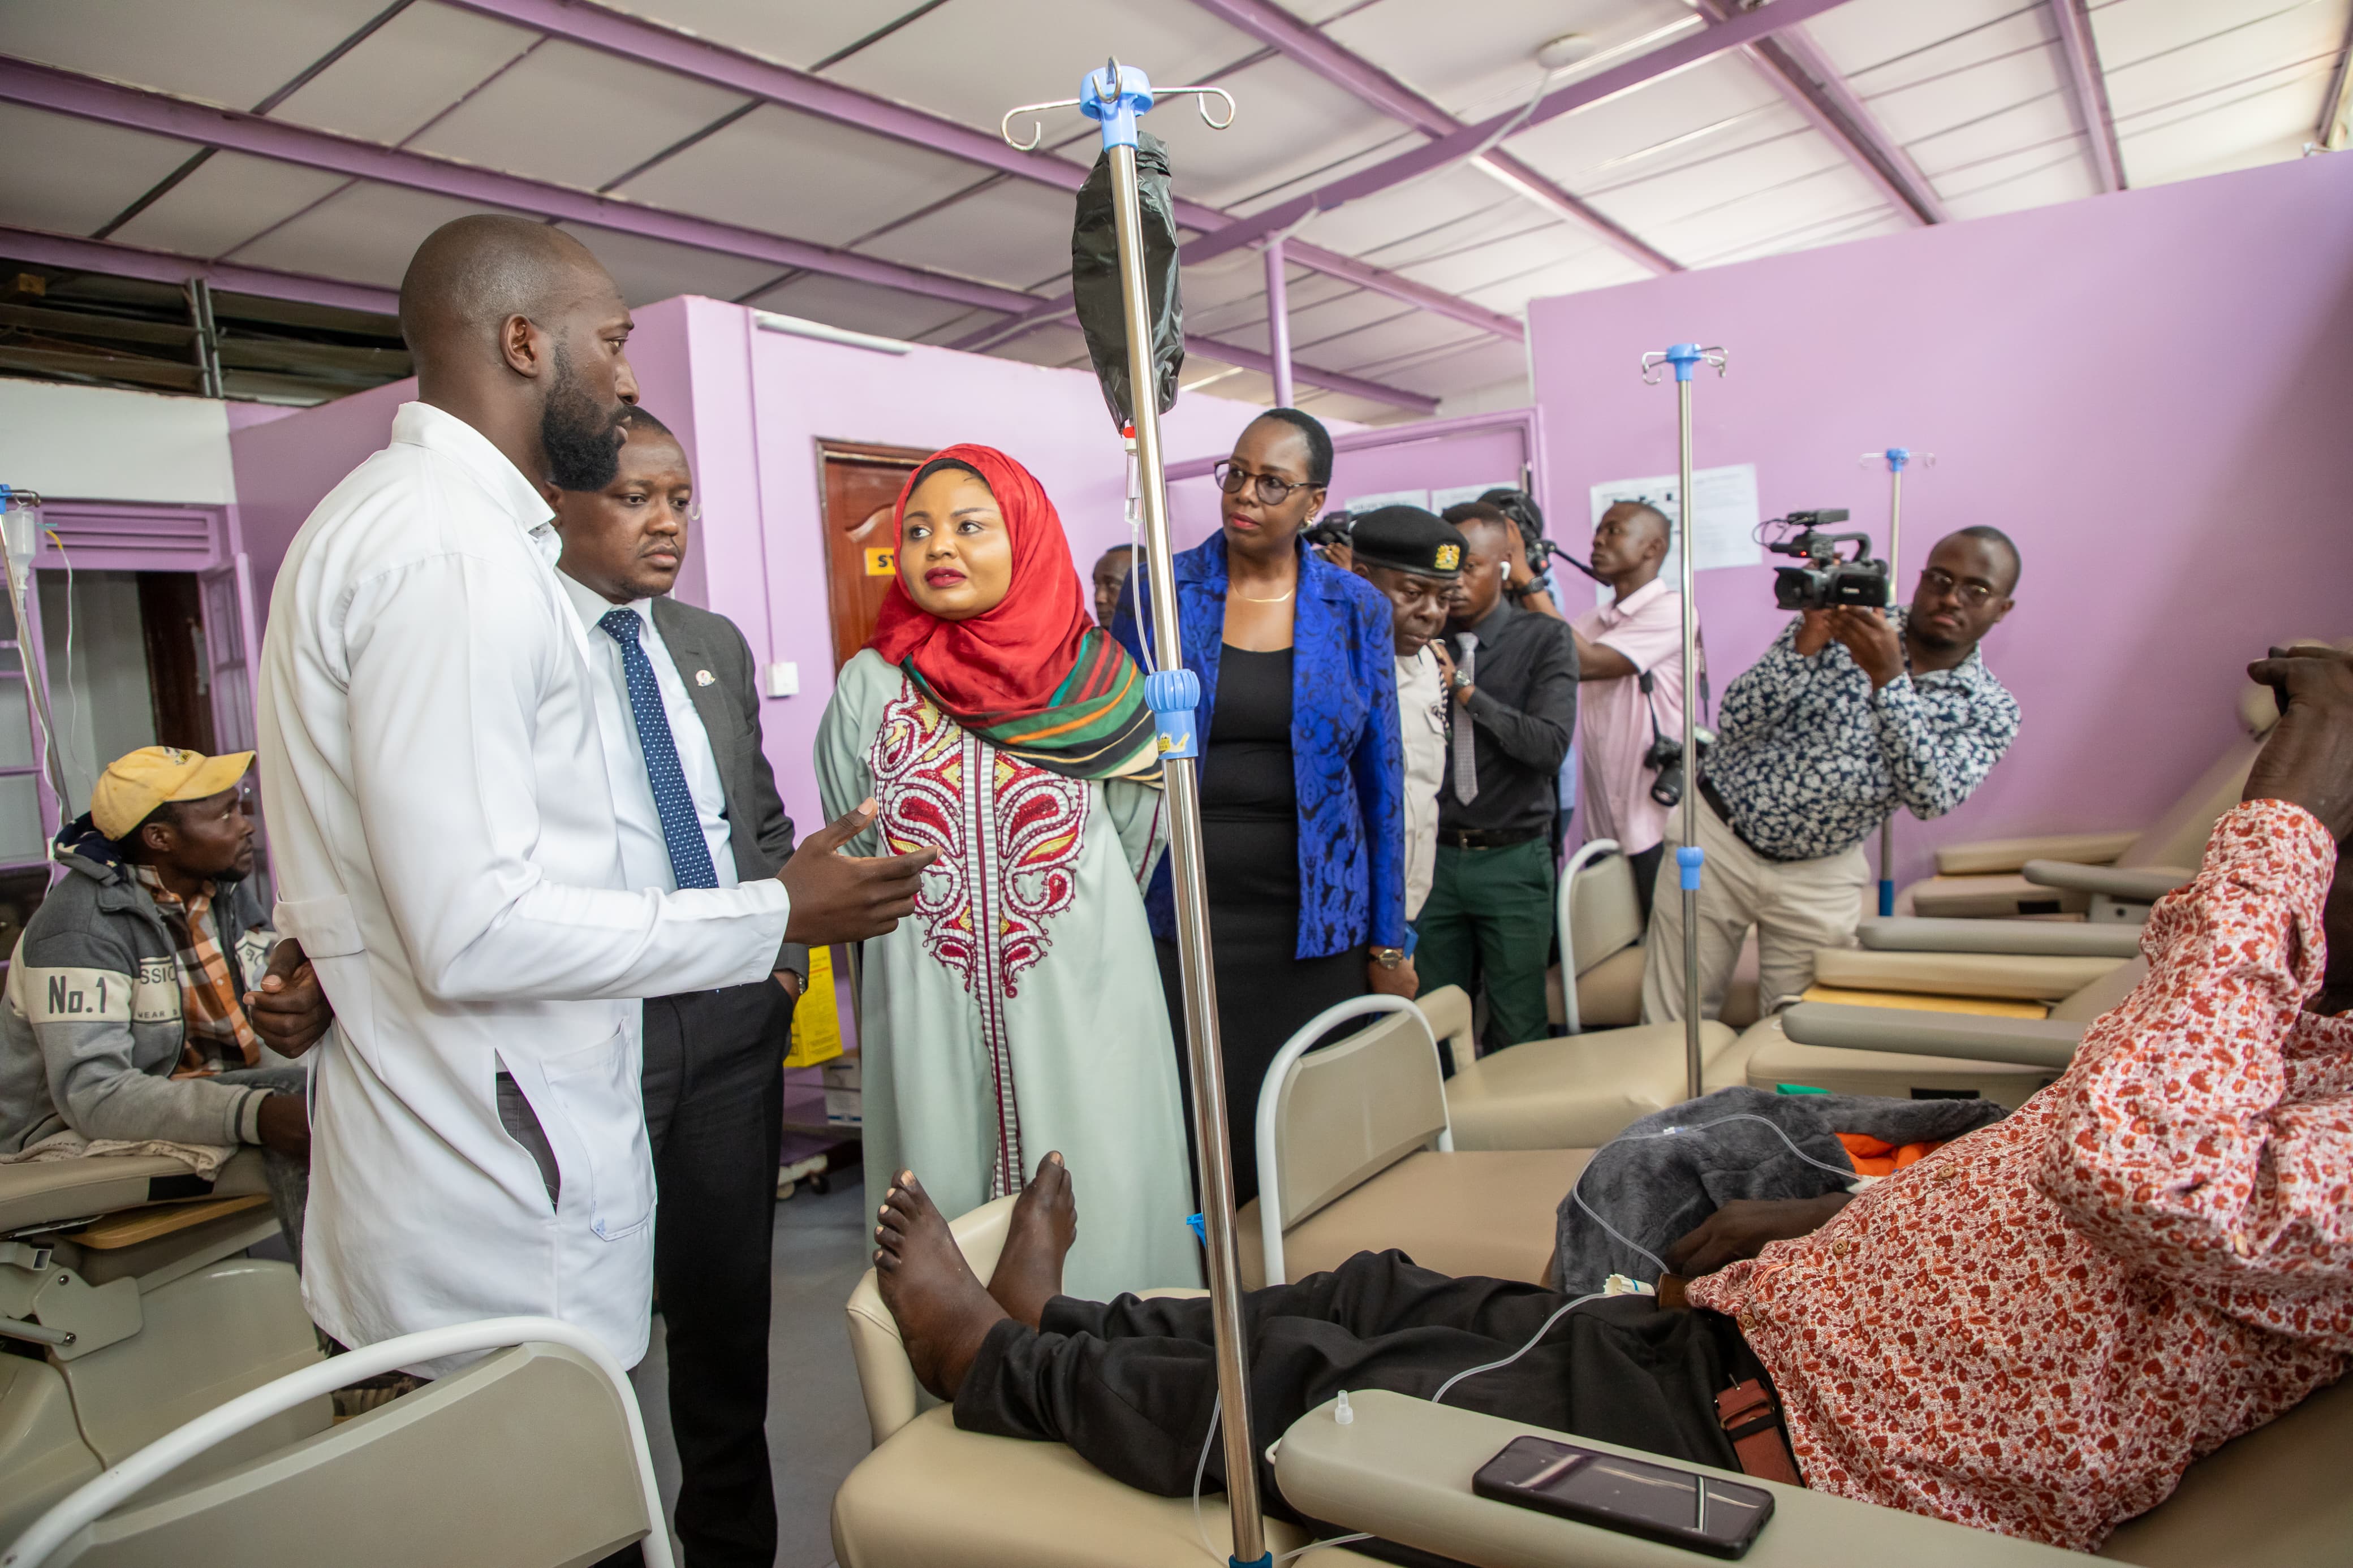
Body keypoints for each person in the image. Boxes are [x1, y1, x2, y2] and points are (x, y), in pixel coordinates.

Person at [869, 640, 2353, 1554]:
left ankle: (996, 1370)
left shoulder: (2278, 1082)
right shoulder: (2302, 1054)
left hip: (1780, 1448)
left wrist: (2280, 834)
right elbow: (2079, 1196)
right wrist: (1824, 1224)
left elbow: (2141, 1163)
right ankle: (1070, 1322)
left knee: (1329, 1382)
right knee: (1372, 1285)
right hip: (1764, 1337)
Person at [255, 214, 929, 1379]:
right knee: (539, 1473)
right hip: (490, 1201)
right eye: (612, 342)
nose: (626, 379)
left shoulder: (413, 527)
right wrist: (776, 912)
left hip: (466, 1161)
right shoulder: (453, 557)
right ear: (524, 342)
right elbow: (475, 927)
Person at [815, 444, 1195, 1299]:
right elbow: (854, 834)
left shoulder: (1099, 679)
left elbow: (1140, 835)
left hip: (1084, 993)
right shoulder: (871, 685)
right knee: (940, 1210)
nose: (939, 547)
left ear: (1025, 538)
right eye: (918, 531)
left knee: (1100, 1199)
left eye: (970, 526)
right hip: (924, 1002)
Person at [544, 403, 806, 1568]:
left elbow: (758, 819)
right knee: (593, 1325)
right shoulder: (526, 639)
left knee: (726, 1320)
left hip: (732, 1022)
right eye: (635, 498)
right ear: (558, 500)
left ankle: (733, 1547)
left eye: (682, 500)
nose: (667, 523)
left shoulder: (709, 641)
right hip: (600, 1026)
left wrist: (781, 968)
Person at [1113, 408, 1408, 1208]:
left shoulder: (1355, 608)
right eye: (1236, 473)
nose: (1245, 494)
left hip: (1316, 919)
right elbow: (1117, 758)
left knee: (1309, 1136)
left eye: (1272, 483)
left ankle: (1305, 1274)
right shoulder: (1161, 592)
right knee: (1192, 1126)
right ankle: (1204, 1275)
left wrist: (1389, 938)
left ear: (1314, 502)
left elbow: (1382, 778)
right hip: (1182, 911)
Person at [1641, 528, 2021, 1022]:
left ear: (2002, 608)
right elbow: (1735, 719)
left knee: (1800, 1032)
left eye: (1977, 589)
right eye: (1941, 579)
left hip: (1821, 874)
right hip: (1717, 842)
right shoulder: (1850, 621)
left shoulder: (1991, 708)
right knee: (1674, 1021)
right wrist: (1803, 645)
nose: (1951, 598)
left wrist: (1889, 680)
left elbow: (1932, 796)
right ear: (1921, 579)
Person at [0, 748, 311, 1249]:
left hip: (182, 1087)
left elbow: (259, 1029)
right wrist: (259, 1113)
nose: (246, 826)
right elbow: (95, 1097)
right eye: (225, 815)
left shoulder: (222, 893)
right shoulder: (77, 929)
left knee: (330, 1092)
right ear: (160, 838)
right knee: (294, 1107)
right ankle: (335, 1297)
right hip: (58, 1131)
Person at [1420, 502, 1578, 1052]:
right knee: (1434, 1026)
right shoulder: (1419, 639)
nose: (1455, 583)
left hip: (1512, 858)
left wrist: (1464, 689)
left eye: (1471, 568)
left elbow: (1547, 747)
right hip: (1435, 857)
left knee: (1518, 1026)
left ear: (1504, 567)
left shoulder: (1545, 639)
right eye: (1447, 568)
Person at [1344, 505, 1466, 927]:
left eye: (1444, 598)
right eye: (1413, 593)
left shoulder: (1430, 662)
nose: (1432, 612)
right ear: (1362, 581)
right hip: (1350, 906)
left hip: (1409, 904)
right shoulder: (1328, 667)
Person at [1569, 500, 1685, 923]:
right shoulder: (1592, 621)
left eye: (1614, 530)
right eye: (1599, 530)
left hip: (1656, 823)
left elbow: (1590, 663)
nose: (1598, 540)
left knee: (1667, 942)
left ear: (1653, 548)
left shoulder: (1674, 610)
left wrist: (1531, 586)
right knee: (1611, 945)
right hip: (1603, 824)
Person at [1091, 543, 1136, 630]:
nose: (1099, 599)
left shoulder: (1163, 637)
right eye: (1096, 585)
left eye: (1112, 585)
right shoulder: (1088, 638)